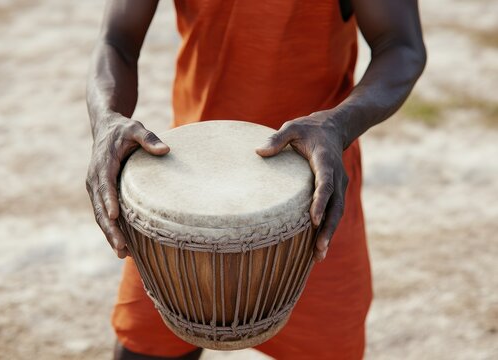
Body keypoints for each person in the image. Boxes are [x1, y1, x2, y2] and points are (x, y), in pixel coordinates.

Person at [85, 0, 426, 359]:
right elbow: (117, 39)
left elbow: (401, 47)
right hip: (179, 201)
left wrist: (337, 125)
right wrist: (106, 120)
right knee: (144, 346)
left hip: (314, 199)